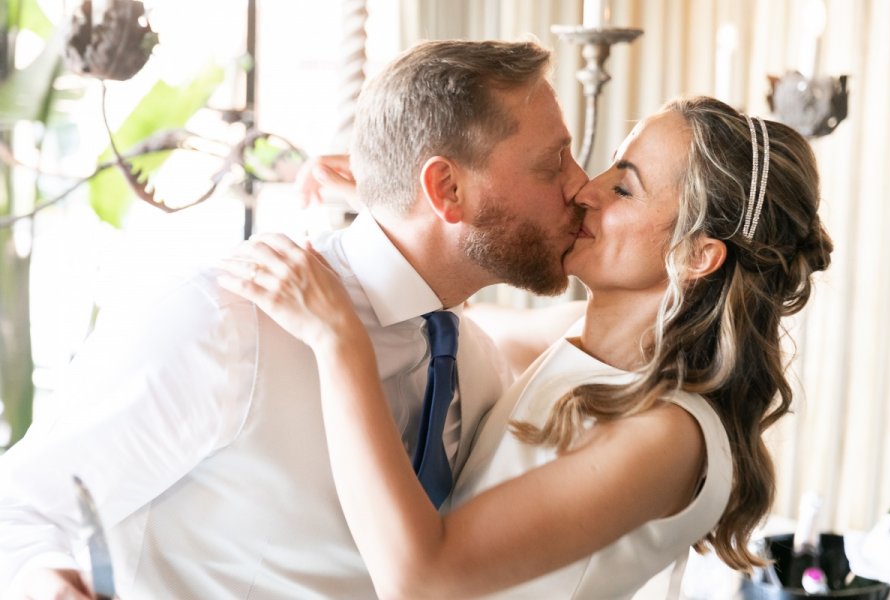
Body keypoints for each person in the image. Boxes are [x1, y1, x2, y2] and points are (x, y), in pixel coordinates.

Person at [0, 39, 587, 599]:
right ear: (446, 187)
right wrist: (46, 582)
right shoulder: (229, 323)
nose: (581, 186)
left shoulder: (475, 366)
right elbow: (21, 506)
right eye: (554, 163)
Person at [219, 96, 834, 598]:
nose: (586, 191)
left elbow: (421, 579)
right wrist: (412, 204)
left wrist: (337, 340)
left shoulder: (668, 435)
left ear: (698, 255)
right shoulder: (584, 341)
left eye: (625, 188)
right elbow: (459, 311)